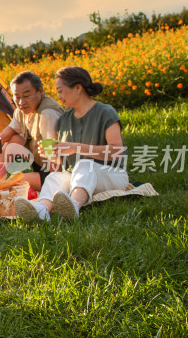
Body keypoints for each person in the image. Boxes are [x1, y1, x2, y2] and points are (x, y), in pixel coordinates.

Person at [14, 66, 128, 222]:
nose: (58, 97)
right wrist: (52, 155)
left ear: (78, 88)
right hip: (77, 176)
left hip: (112, 175)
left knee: (84, 165)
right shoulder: (65, 119)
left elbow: (117, 151)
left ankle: (73, 205)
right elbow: (62, 163)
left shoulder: (105, 112)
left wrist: (76, 147)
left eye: (61, 91)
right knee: (55, 176)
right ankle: (42, 209)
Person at [0, 71, 63, 191]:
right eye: (17, 97)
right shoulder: (22, 111)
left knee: (12, 182)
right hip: (40, 162)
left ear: (40, 91)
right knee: (14, 140)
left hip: (56, 171)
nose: (21, 102)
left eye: (26, 96)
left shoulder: (47, 115)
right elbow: (8, 132)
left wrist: (56, 186)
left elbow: (54, 157)